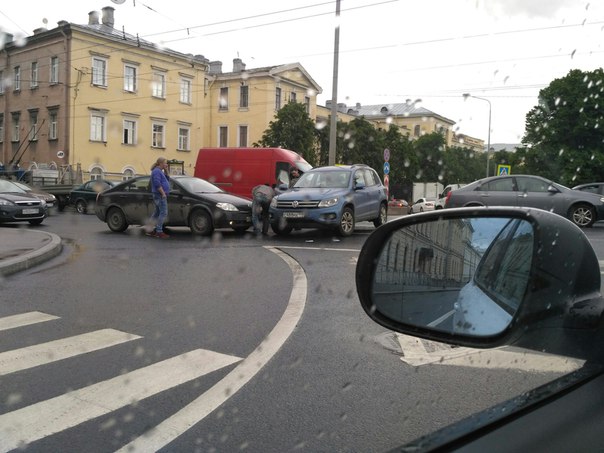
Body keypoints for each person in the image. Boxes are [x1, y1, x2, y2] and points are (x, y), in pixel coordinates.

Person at [147, 157, 170, 238]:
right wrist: (163, 193)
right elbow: (157, 183)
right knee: (163, 212)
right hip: (159, 195)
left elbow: (167, 179)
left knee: (156, 213)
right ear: (160, 163)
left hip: (159, 195)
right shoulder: (157, 171)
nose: (166, 164)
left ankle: (149, 229)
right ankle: (159, 231)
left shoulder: (160, 171)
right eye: (165, 163)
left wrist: (166, 170)